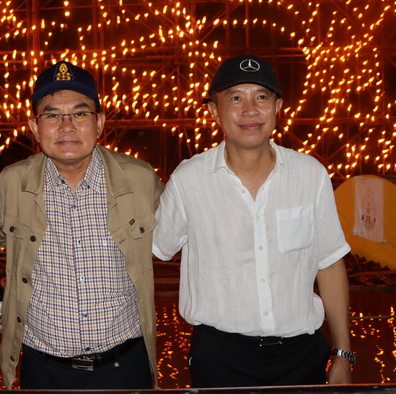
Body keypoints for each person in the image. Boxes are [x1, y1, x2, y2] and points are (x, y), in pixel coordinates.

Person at [152, 54, 355, 387]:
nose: (250, 110)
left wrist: (343, 354)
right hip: (220, 358)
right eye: (235, 98)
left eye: (261, 97)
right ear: (214, 110)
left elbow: (330, 263)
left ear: (277, 107)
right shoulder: (189, 180)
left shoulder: (310, 175)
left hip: (301, 356)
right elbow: (155, 248)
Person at [0, 60, 163, 389]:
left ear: (99, 122)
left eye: (80, 114)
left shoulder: (138, 179)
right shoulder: (13, 183)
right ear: (35, 127)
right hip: (44, 368)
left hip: (124, 365)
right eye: (52, 116)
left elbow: (179, 238)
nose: (66, 127)